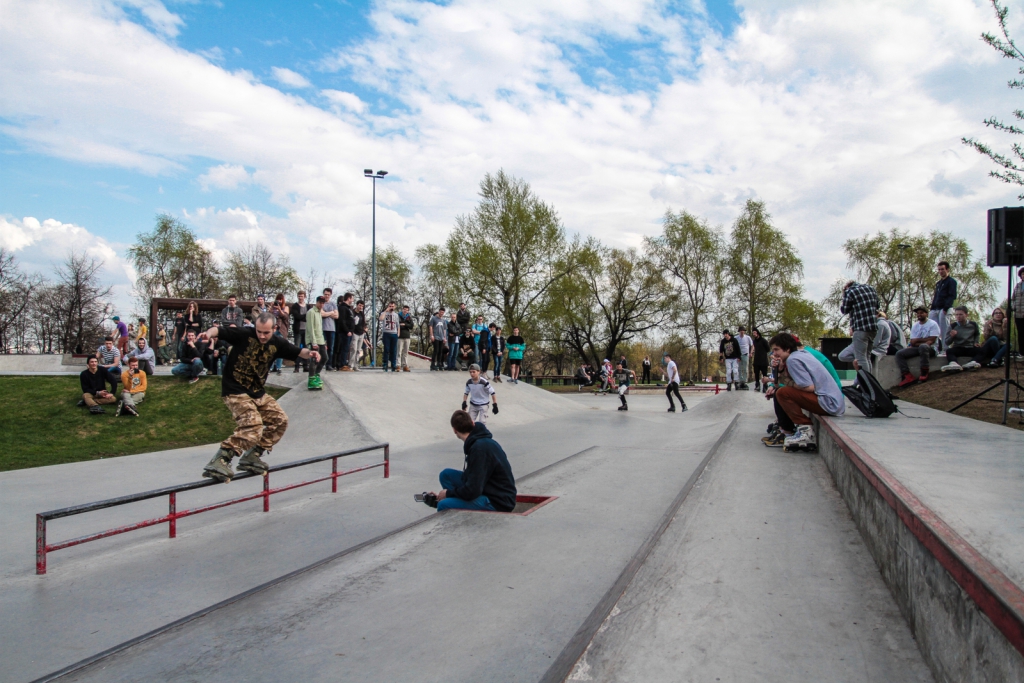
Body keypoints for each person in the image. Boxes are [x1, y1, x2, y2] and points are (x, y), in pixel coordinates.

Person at [197, 313, 321, 482]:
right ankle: (220, 459)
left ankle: (252, 455)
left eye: (266, 333)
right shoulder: (243, 334)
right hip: (235, 390)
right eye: (259, 332)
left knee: (280, 421)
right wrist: (208, 334)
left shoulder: (278, 343)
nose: (262, 336)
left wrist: (312, 354)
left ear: (274, 329)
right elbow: (218, 330)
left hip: (257, 392)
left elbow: (300, 352)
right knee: (253, 425)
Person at [419, 410, 517, 512]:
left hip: (498, 501)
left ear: (454, 430)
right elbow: (472, 481)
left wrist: (448, 494)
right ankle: (454, 503)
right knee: (446, 475)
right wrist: (444, 495)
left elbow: (473, 490)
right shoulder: (480, 441)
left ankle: (451, 506)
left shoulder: (479, 449)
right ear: (472, 423)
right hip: (488, 488)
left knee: (443, 505)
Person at [766, 332, 845, 450]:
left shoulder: (793, 360)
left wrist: (787, 382)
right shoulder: (801, 354)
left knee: (782, 393)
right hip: (834, 401)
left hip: (829, 403)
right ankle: (796, 429)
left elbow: (809, 387)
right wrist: (780, 370)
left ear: (787, 349)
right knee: (783, 390)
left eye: (776, 350)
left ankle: (805, 431)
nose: (774, 353)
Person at [896, 306, 941, 387]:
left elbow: (932, 340)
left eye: (921, 313)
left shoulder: (933, 324)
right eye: (918, 313)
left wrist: (917, 341)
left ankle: (924, 371)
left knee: (923, 346)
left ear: (926, 314)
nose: (919, 315)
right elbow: (913, 342)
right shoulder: (915, 325)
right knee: (899, 353)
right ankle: (907, 375)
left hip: (931, 349)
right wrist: (922, 341)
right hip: (917, 348)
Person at [939, 306, 981, 371]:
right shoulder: (952, 326)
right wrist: (952, 336)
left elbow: (977, 334)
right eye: (956, 314)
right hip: (958, 347)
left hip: (970, 347)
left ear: (966, 315)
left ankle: (972, 363)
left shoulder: (973, 324)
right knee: (949, 351)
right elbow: (947, 342)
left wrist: (976, 342)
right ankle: (954, 364)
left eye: (961, 314)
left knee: (981, 351)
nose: (958, 316)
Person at [930, 261, 957, 352]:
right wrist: (932, 308)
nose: (941, 271)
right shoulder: (938, 283)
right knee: (933, 328)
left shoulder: (951, 282)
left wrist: (946, 307)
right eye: (939, 269)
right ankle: (935, 347)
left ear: (947, 269)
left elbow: (952, 295)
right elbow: (936, 296)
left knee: (944, 329)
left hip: (944, 308)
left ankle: (945, 348)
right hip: (935, 308)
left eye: (942, 269)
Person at [305, 295, 327, 390]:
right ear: (317, 302)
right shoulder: (311, 312)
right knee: (314, 359)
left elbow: (319, 328)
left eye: (323, 303)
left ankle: (316, 374)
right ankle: (311, 379)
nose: (321, 305)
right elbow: (310, 328)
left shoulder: (319, 313)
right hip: (313, 340)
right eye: (320, 303)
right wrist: (313, 342)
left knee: (325, 357)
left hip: (320, 340)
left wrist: (323, 342)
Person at [290, 291, 309, 373]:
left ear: (304, 297)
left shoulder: (308, 306)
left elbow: (310, 316)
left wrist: (303, 317)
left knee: (306, 348)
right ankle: (296, 366)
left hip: (306, 330)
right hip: (298, 329)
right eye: (299, 296)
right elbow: (297, 316)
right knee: (297, 348)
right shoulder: (295, 306)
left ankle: (305, 365)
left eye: (302, 296)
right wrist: (305, 317)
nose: (300, 298)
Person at [379, 301, 400, 372]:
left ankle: (393, 364)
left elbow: (398, 325)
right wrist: (385, 311)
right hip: (386, 333)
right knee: (386, 349)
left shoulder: (396, 315)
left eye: (393, 306)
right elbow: (381, 319)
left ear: (395, 307)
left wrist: (398, 333)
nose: (391, 308)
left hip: (394, 333)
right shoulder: (384, 313)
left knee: (393, 350)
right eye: (390, 306)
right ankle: (385, 363)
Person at [320, 288, 338, 371]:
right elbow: (321, 314)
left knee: (331, 348)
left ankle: (329, 365)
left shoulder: (333, 304)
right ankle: (320, 364)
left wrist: (327, 313)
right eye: (325, 294)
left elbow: (336, 316)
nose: (326, 296)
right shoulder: (321, 303)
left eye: (328, 294)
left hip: (331, 329)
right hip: (322, 328)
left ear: (330, 295)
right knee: (321, 347)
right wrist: (331, 312)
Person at [338, 292, 356, 371]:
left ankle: (344, 363)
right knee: (344, 348)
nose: (352, 300)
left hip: (350, 332)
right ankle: (342, 364)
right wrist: (347, 331)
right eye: (352, 298)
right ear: (348, 298)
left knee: (346, 349)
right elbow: (342, 321)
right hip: (344, 332)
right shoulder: (343, 308)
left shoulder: (349, 308)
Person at [398, 304, 414, 372]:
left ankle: (405, 365)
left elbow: (411, 326)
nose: (405, 311)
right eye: (404, 309)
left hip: (407, 336)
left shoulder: (409, 317)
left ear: (408, 311)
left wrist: (405, 324)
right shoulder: (398, 316)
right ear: (402, 309)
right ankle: (398, 365)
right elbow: (398, 325)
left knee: (405, 352)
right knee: (399, 351)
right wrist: (404, 325)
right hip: (400, 336)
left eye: (407, 310)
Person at [1013, 266, 1024, 356]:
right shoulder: (1018, 285)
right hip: (1018, 314)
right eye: (1023, 274)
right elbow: (1013, 298)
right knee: (1020, 333)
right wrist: (1013, 307)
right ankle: (1022, 352)